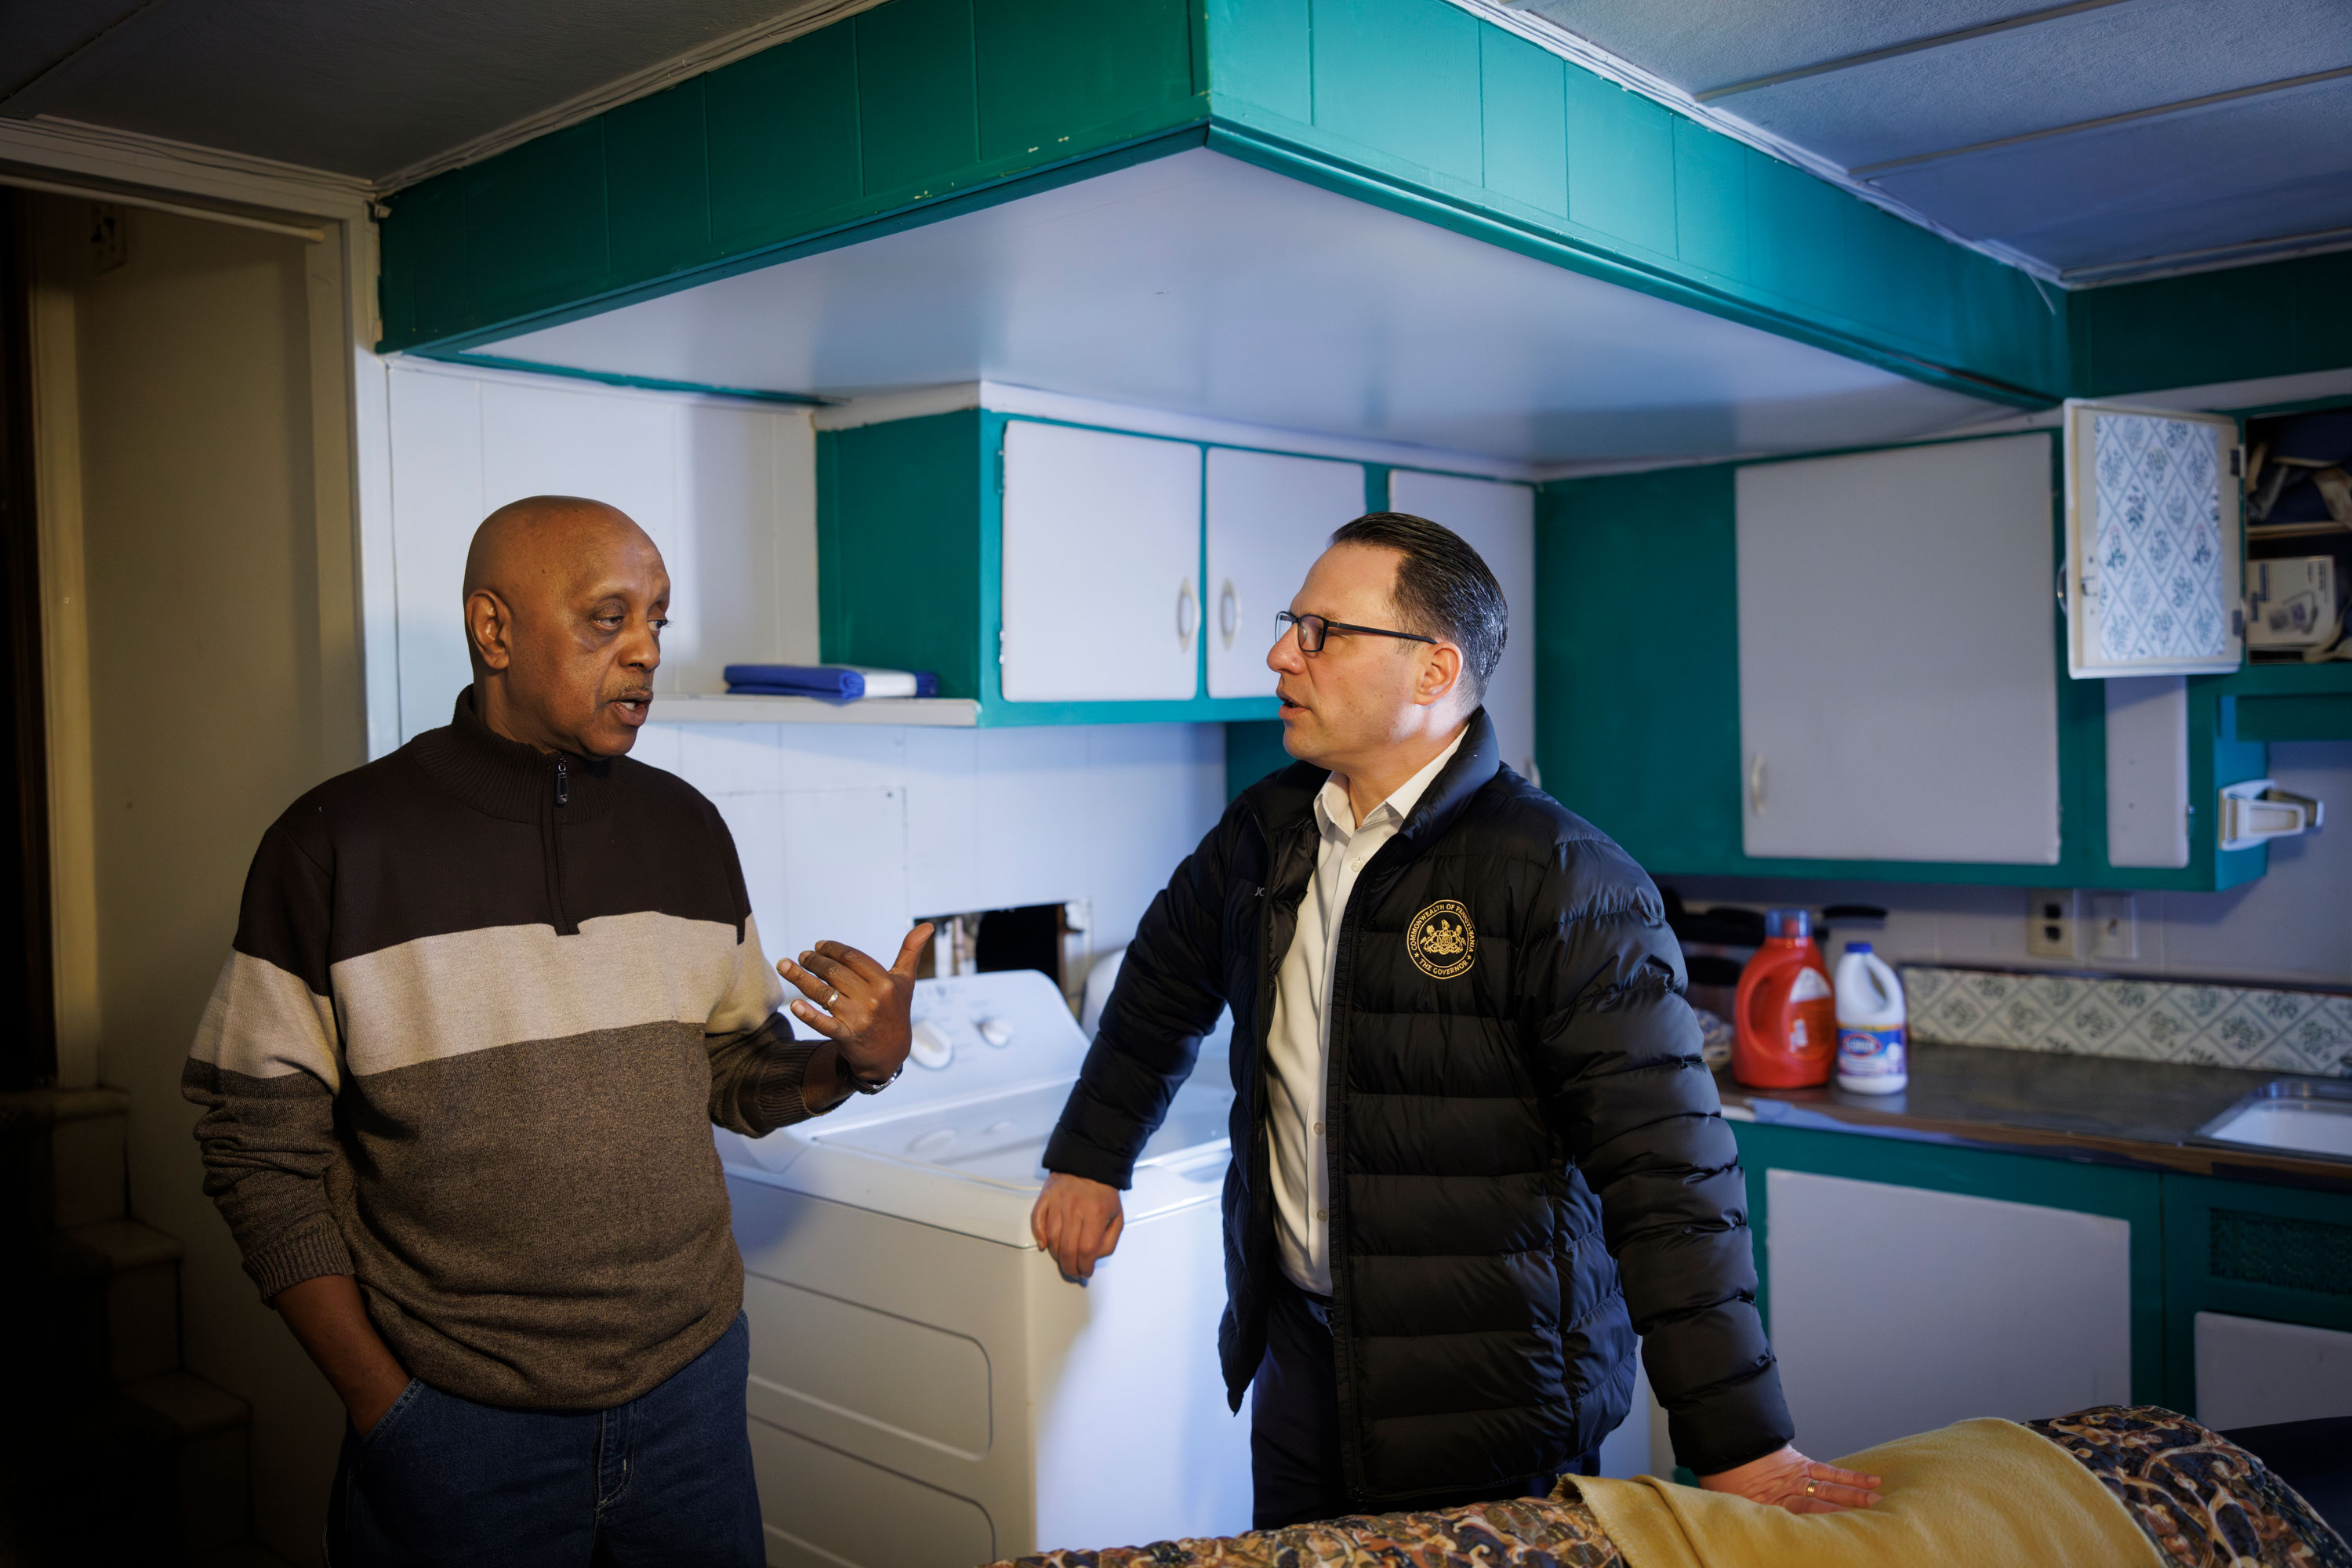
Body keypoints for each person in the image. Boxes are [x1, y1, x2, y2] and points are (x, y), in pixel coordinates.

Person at [1032, 513, 1878, 1528]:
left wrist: (1737, 1439)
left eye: (1321, 632)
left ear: (1433, 672)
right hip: (1300, 1366)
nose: (1278, 654)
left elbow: (1668, 1175)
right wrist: (1091, 1155)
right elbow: (1161, 983)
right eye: (1289, 624)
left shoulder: (1564, 881)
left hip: (1494, 1396)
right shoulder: (1264, 832)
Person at [183, 495, 930, 1566]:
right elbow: (254, 1147)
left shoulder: (686, 830)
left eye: (659, 622)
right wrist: (382, 1406)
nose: (645, 654)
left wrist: (858, 1064)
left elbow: (724, 1068)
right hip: (455, 1426)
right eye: (606, 619)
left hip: (692, 1405)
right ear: (495, 631)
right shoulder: (336, 845)